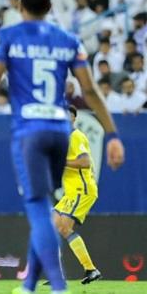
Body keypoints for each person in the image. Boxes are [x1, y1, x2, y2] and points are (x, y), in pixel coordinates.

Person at [0, 0, 124, 294]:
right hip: (60, 131)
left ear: (19, 7)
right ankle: (29, 284)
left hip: (29, 133)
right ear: (50, 7)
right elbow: (89, 89)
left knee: (38, 209)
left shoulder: (6, 37)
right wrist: (113, 134)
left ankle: (58, 286)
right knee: (46, 211)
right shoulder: (68, 40)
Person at [53, 105, 101, 284]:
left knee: (64, 228)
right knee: (52, 226)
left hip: (82, 189)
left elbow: (84, 161)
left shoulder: (76, 136)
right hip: (71, 192)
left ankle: (91, 269)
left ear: (73, 118)